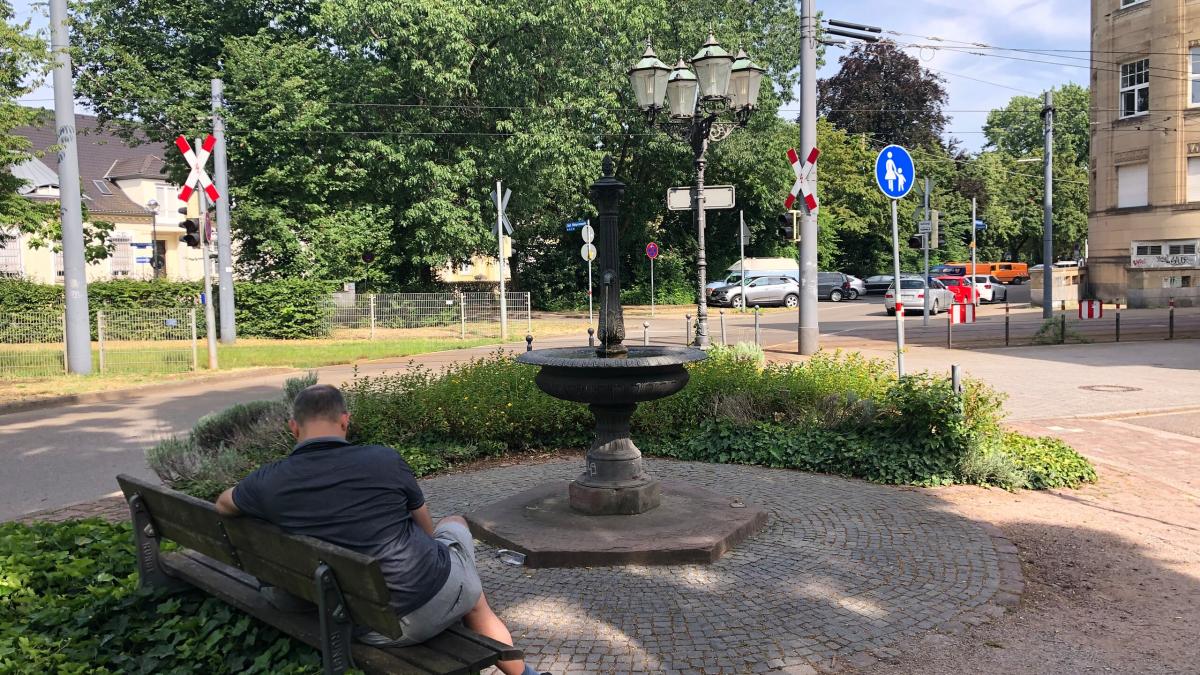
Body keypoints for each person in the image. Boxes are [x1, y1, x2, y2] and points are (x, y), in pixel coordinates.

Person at [215, 384, 543, 675]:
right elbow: (423, 524)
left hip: (363, 621)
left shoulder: (268, 481)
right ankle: (522, 672)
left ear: (293, 428)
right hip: (416, 606)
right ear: (345, 421)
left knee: (455, 578)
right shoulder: (383, 459)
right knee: (455, 527)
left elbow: (222, 504)